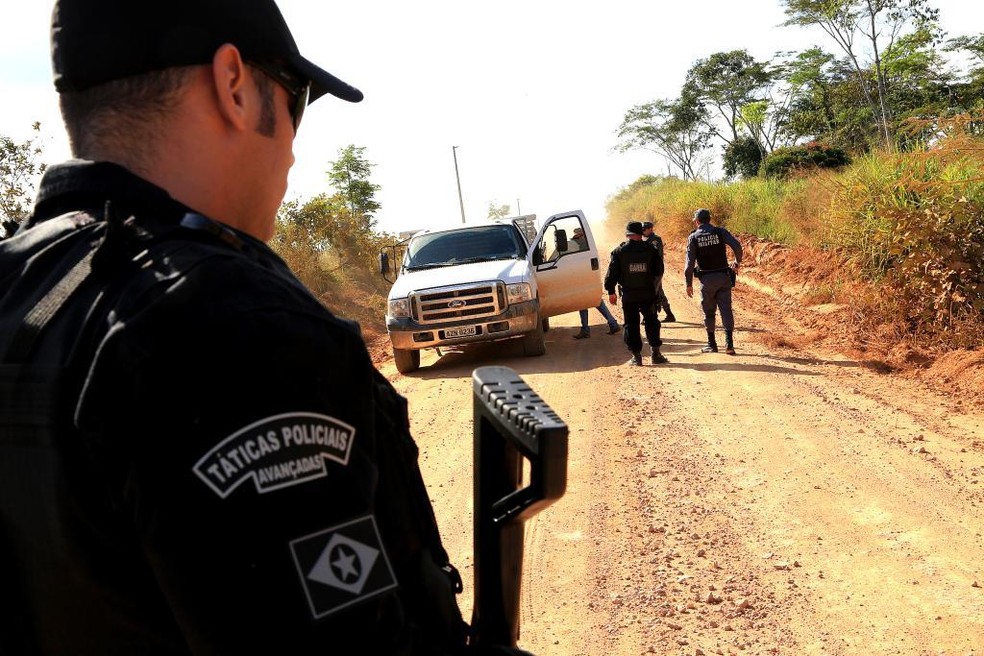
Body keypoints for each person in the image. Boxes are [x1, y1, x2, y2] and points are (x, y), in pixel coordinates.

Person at [0, 2, 529, 654]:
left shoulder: (22, 283)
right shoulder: (232, 328)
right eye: (297, 99)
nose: (295, 150)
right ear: (233, 86)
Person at [604, 221, 668, 366]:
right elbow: (659, 270)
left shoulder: (619, 251)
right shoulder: (650, 249)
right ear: (641, 234)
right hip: (648, 293)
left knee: (631, 325)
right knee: (652, 322)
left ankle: (636, 357)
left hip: (629, 295)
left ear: (627, 235)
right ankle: (656, 354)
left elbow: (612, 273)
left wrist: (611, 291)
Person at [684, 208, 744, 355]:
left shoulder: (693, 237)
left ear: (697, 221)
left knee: (709, 312)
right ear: (709, 219)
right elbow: (737, 246)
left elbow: (689, 264)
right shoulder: (720, 232)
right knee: (726, 310)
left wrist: (689, 283)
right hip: (724, 277)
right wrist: (737, 262)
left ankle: (712, 344)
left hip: (707, 280)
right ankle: (729, 345)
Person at [571, 227, 620, 338]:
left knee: (586, 302)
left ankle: (586, 329)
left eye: (578, 234)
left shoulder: (583, 243)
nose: (577, 235)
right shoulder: (587, 243)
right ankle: (612, 324)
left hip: (585, 277)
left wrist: (575, 241)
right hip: (587, 276)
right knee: (593, 301)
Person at [641, 221, 675, 322]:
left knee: (651, 293)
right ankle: (669, 314)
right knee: (659, 292)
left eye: (644, 229)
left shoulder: (655, 240)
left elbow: (654, 255)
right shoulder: (647, 240)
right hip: (652, 272)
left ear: (650, 229)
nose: (643, 231)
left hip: (655, 272)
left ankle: (649, 317)